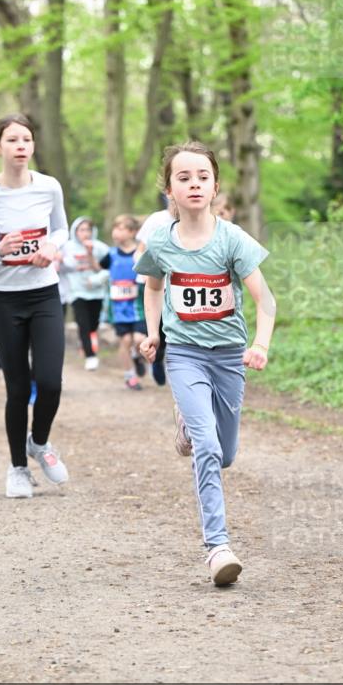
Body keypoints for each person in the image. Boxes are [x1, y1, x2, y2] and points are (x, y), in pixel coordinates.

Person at [135, 141, 276, 587]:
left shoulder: (233, 239)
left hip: (230, 356)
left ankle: (187, 425)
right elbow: (154, 288)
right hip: (184, 355)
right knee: (209, 449)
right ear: (169, 190)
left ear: (215, 185)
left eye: (202, 177)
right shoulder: (161, 241)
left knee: (226, 453)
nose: (194, 184)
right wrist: (154, 332)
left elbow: (265, 300)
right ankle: (218, 547)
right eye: (184, 177)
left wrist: (261, 344)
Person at [0, 112, 69, 498]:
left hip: (44, 294)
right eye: (12, 140)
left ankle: (39, 442)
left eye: (26, 139)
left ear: (33, 145)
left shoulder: (49, 187)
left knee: (51, 382)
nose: (20, 146)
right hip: (5, 301)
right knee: (18, 388)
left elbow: (61, 228)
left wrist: (53, 246)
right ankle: (18, 469)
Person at [99, 214, 147, 390]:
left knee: (139, 339)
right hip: (118, 307)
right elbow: (98, 267)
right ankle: (130, 376)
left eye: (121, 228)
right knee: (125, 340)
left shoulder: (141, 253)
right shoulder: (110, 254)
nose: (116, 232)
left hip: (138, 305)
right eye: (114, 228)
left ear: (133, 232)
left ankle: (137, 356)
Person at [135, 194, 175, 386]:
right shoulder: (157, 219)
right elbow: (140, 249)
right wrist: (143, 270)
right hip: (153, 281)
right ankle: (158, 359)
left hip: (179, 285)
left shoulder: (195, 221)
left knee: (171, 327)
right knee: (157, 328)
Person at [61, 216, 109, 370]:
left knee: (93, 325)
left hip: (96, 292)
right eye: (81, 230)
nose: (85, 233)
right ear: (75, 232)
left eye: (88, 229)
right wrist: (61, 261)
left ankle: (86, 341)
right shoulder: (67, 248)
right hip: (77, 292)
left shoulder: (100, 248)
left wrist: (96, 280)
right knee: (83, 324)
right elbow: (63, 268)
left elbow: (107, 270)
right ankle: (90, 355)